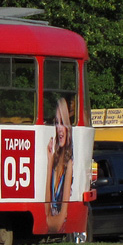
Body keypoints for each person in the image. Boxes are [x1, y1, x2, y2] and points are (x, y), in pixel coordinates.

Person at [45, 96, 74, 233]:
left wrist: (50, 219)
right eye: (57, 122)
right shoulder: (55, 161)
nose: (59, 129)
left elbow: (58, 222)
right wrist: (49, 162)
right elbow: (46, 209)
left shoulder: (70, 164)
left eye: (63, 122)